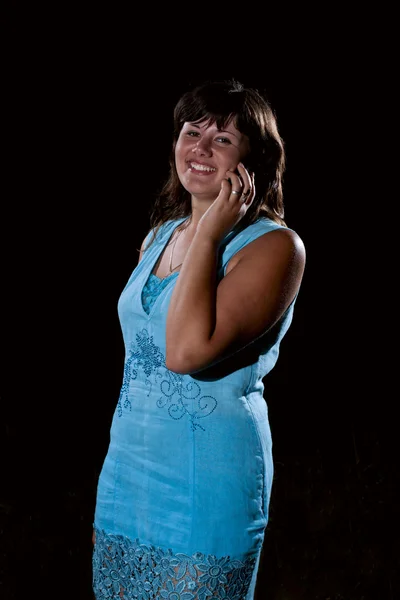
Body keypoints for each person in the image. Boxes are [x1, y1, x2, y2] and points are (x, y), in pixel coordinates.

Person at [92, 78, 306, 600]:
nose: (201, 149)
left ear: (253, 160)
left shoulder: (275, 247)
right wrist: (196, 228)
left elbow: (186, 352)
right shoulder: (157, 236)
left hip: (205, 485)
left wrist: (210, 230)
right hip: (128, 475)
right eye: (192, 132)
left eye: (224, 139)